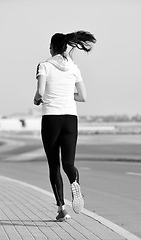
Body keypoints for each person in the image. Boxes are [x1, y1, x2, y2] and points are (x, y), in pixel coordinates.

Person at [34, 30, 96, 221]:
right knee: (69, 163)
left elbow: (40, 93)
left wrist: (37, 100)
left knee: (54, 165)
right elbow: (83, 97)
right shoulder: (74, 68)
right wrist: (66, 95)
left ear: (52, 48)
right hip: (70, 118)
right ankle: (75, 183)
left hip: (51, 118)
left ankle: (62, 209)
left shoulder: (44, 66)